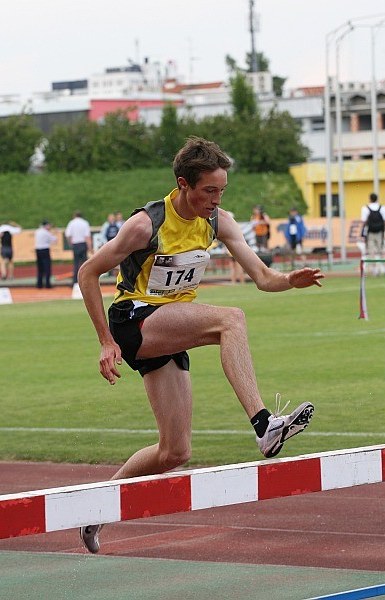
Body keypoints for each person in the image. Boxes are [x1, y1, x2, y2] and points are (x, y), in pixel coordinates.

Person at [77, 137, 324, 553]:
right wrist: (104, 342)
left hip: (171, 325)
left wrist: (288, 281)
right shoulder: (145, 225)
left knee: (175, 451)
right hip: (134, 319)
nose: (216, 199)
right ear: (183, 184)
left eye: (221, 190)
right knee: (230, 319)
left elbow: (263, 278)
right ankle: (264, 425)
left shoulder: (218, 221)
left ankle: (94, 508)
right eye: (209, 191)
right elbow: (87, 273)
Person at [361, 193, 385, 276]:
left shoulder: (365, 208)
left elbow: (364, 221)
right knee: (382, 252)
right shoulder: (382, 207)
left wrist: (362, 233)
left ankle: (375, 271)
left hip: (370, 233)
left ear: (370, 199)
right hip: (380, 232)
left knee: (371, 252)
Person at [65, 210, 92, 284]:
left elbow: (68, 235)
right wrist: (90, 247)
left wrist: (70, 243)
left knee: (76, 263)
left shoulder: (71, 223)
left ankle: (75, 281)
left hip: (76, 244)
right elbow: (87, 236)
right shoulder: (85, 223)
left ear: (74, 215)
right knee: (85, 264)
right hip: (83, 244)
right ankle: (86, 280)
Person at [34, 220, 57, 288]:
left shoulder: (37, 231)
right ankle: (47, 284)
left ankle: (39, 284)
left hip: (38, 250)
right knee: (47, 268)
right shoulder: (46, 233)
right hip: (45, 250)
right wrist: (55, 234)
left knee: (40, 268)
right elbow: (53, 240)